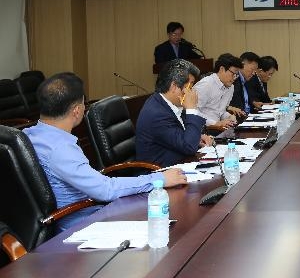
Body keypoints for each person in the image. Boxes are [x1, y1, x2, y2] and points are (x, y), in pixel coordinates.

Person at [25, 72, 186, 231]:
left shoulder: (28, 135)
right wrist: (159, 179)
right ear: (77, 110)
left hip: (81, 212)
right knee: (169, 219)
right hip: (82, 225)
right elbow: (105, 190)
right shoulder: (60, 149)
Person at [136, 59, 214, 167]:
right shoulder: (157, 114)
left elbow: (177, 134)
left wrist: (197, 137)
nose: (192, 92)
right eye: (189, 87)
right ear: (174, 87)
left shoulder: (167, 103)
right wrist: (192, 109)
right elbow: (188, 147)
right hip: (161, 170)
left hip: (180, 162)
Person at [193, 53, 245, 128]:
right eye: (233, 74)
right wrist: (215, 124)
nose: (234, 78)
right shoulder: (205, 85)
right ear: (222, 69)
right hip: (201, 129)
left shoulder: (230, 87)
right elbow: (193, 112)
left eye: (236, 75)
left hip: (218, 128)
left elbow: (220, 112)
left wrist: (229, 116)